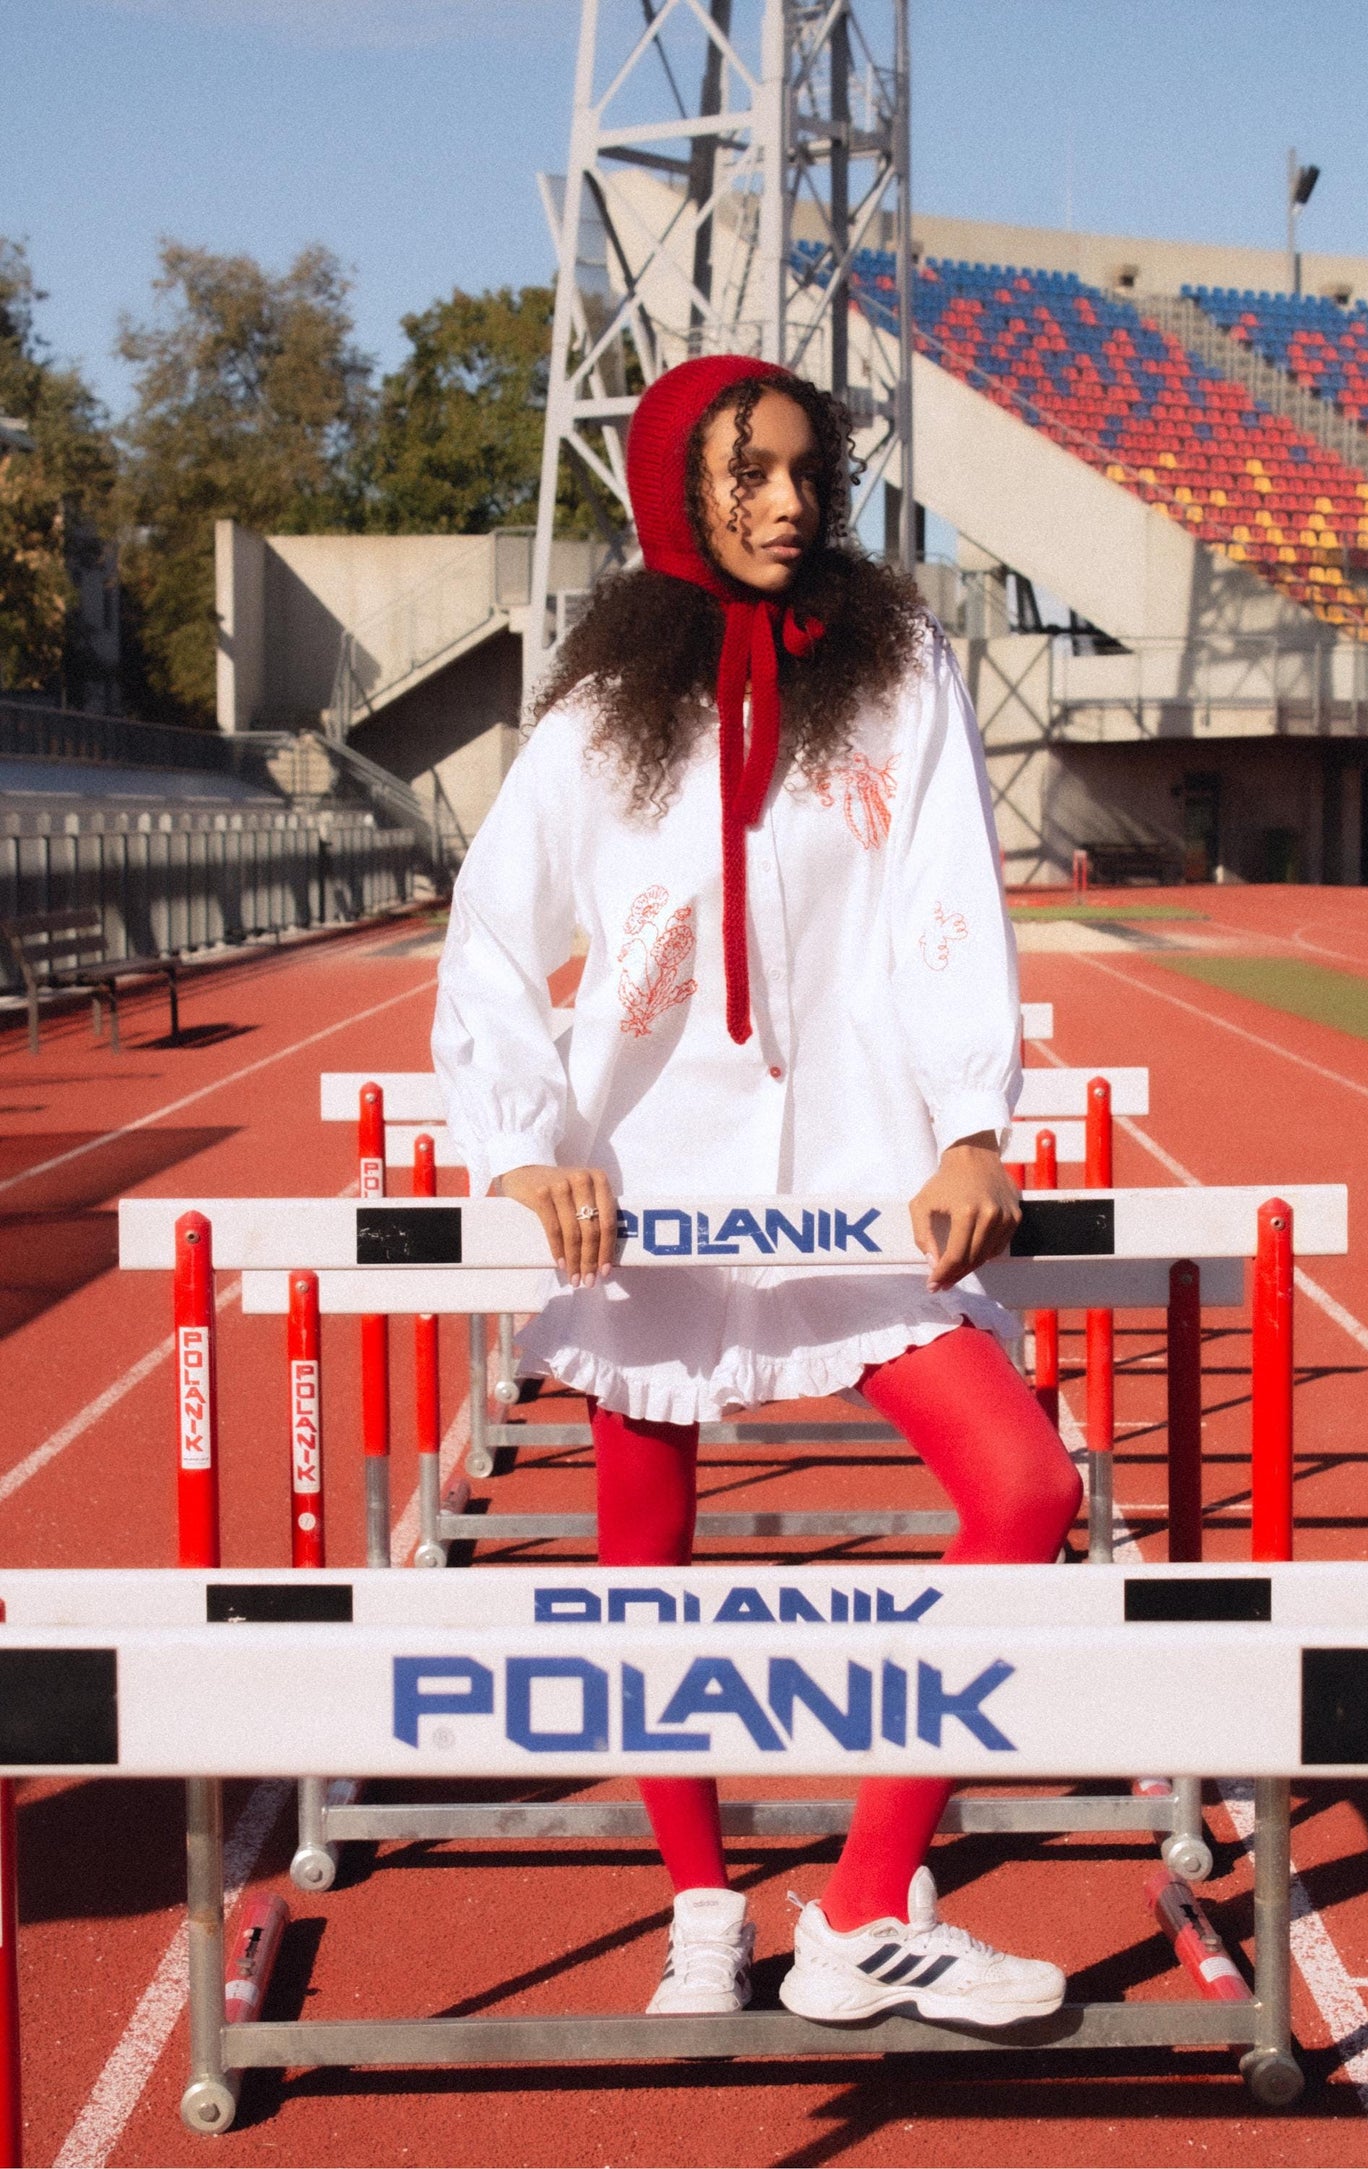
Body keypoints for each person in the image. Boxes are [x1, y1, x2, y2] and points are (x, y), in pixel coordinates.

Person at [434, 353, 1082, 2029]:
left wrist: (970, 1122)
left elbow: (948, 898)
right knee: (646, 1556)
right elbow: (492, 935)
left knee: (1022, 1488)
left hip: (859, 1177)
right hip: (647, 1189)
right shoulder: (596, 713)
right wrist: (526, 1143)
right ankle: (703, 1897)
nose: (788, 502)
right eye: (746, 474)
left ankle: (863, 1906)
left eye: (807, 470)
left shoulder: (896, 669)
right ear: (676, 489)